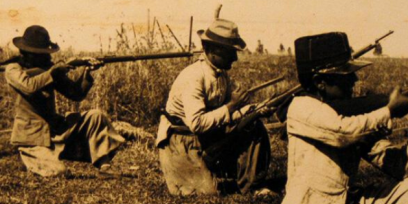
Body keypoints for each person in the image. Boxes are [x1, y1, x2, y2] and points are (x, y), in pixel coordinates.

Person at [282, 32, 408, 204]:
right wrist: (389, 111)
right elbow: (344, 133)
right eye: (345, 76)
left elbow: (386, 156)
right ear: (320, 82)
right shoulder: (301, 107)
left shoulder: (350, 116)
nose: (354, 80)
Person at [156, 18, 272, 195]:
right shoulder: (194, 76)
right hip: (181, 140)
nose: (235, 57)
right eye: (230, 52)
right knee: (209, 192)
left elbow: (227, 114)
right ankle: (212, 171)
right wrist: (232, 106)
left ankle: (251, 185)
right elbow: (197, 123)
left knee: (253, 124)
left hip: (207, 136)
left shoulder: (221, 75)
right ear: (211, 50)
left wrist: (254, 110)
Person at [4, 25, 126, 177]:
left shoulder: (49, 70)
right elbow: (29, 87)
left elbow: (76, 94)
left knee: (95, 116)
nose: (45, 57)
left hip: (55, 131)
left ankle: (105, 166)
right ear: (27, 53)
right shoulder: (13, 69)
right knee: (59, 172)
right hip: (32, 138)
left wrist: (86, 73)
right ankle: (31, 160)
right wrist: (53, 73)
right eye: (39, 54)